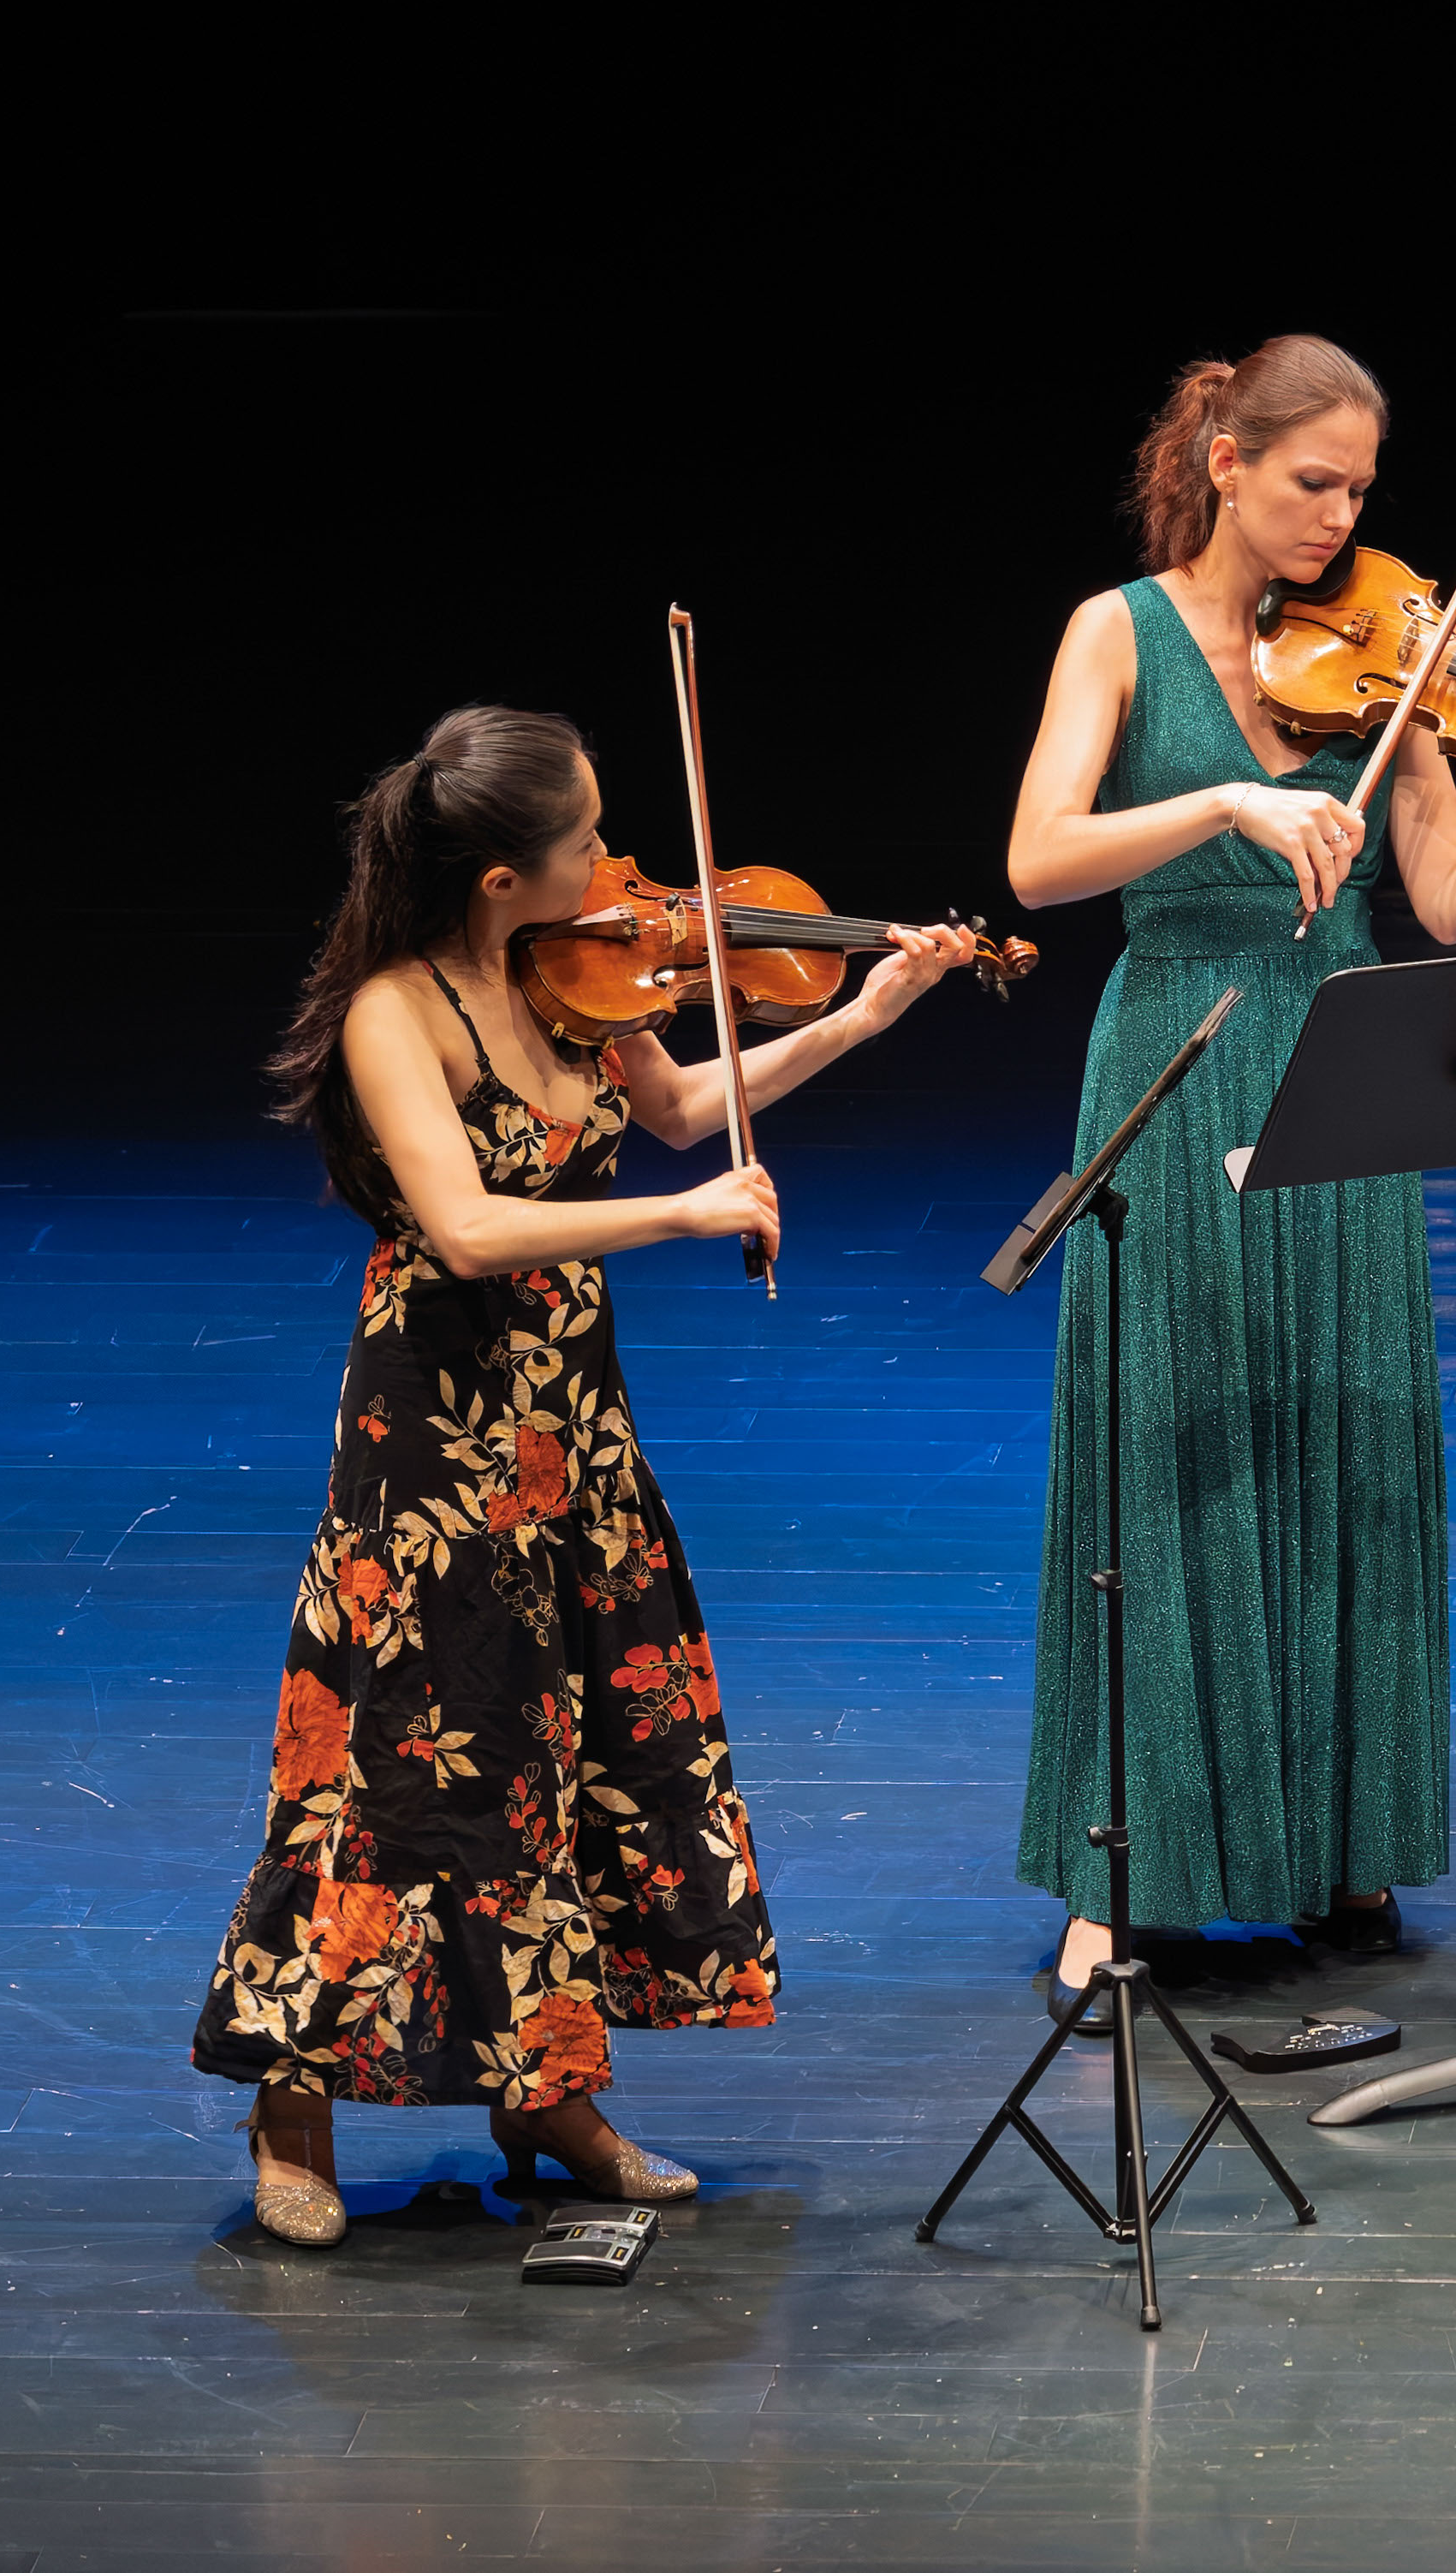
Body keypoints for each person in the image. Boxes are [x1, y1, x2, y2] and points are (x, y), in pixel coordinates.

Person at [196, 705, 974, 2246]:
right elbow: (469, 1226)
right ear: (500, 877)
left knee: (564, 1741)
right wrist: (685, 1219)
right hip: (435, 1439)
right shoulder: (397, 1013)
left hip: (570, 1422)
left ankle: (545, 2090)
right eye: (588, 841)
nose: (621, 866)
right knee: (401, 1763)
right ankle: (294, 2096)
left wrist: (868, 1013)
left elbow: (682, 1110)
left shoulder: (579, 975)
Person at [1002, 334, 1456, 2011]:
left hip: (1342, 1055)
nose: (1341, 518)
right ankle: (1120, 1874)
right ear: (1226, 461)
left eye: (1361, 491)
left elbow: (1448, 899)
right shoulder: (1117, 630)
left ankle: (1333, 1838)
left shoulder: (1391, 662)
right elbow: (1037, 858)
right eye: (1313, 483)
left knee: (1339, 1429)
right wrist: (1227, 804)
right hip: (1181, 1051)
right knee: (1167, 1449)